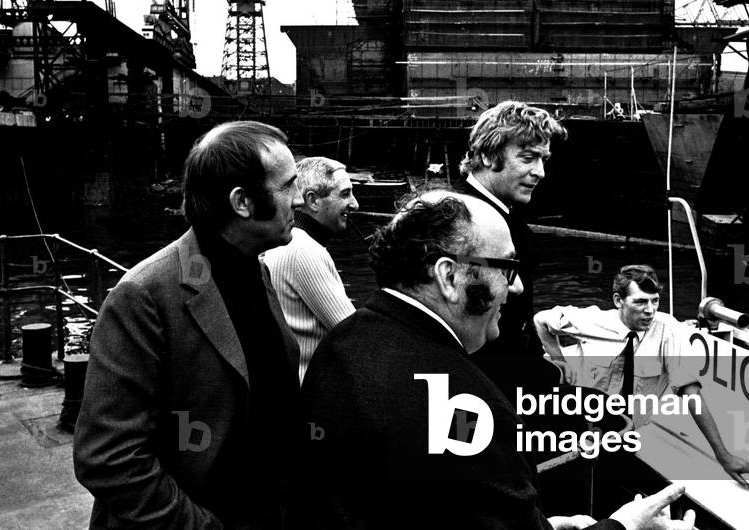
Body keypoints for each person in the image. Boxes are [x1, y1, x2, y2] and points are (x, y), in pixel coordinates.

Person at [294, 191, 697, 530]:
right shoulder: (464, 401)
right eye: (507, 267)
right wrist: (626, 525)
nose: (517, 286)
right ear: (450, 277)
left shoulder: (344, 342)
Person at [74, 121, 303, 529]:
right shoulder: (144, 296)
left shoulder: (254, 268)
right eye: (287, 187)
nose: (300, 198)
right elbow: (108, 457)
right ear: (242, 202)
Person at [533, 264, 749, 487]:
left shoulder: (668, 330)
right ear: (619, 301)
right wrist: (560, 362)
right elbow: (541, 321)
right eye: (640, 302)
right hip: (581, 428)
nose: (650, 310)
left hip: (627, 435)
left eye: (655, 301)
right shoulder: (591, 320)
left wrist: (722, 453)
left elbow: (690, 392)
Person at [454, 100, 567, 401]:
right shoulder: (463, 222)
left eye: (543, 160)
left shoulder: (500, 210)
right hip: (494, 390)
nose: (540, 172)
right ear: (489, 155)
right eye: (528, 158)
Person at [264, 156, 358, 382]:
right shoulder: (303, 250)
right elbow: (355, 335)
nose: (355, 204)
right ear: (313, 201)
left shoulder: (293, 242)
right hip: (308, 395)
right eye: (345, 194)